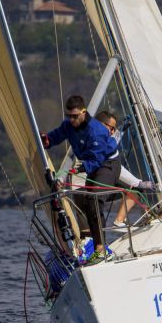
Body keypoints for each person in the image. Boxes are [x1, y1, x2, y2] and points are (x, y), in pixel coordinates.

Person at [40, 95, 118, 264]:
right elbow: (57, 135)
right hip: (91, 165)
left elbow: (97, 159)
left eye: (75, 116)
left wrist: (79, 168)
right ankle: (99, 247)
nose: (71, 120)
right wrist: (47, 140)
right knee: (88, 202)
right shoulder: (68, 125)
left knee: (94, 200)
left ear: (83, 112)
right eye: (69, 116)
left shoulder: (96, 131)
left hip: (107, 164)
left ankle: (101, 250)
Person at [93, 111, 156, 228]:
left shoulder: (99, 137)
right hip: (101, 179)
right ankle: (117, 222)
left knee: (137, 189)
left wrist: (121, 130)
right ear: (101, 125)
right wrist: (139, 183)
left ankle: (119, 221)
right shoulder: (98, 142)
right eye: (111, 128)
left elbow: (113, 143)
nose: (113, 131)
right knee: (138, 187)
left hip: (108, 175)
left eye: (114, 129)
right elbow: (113, 166)